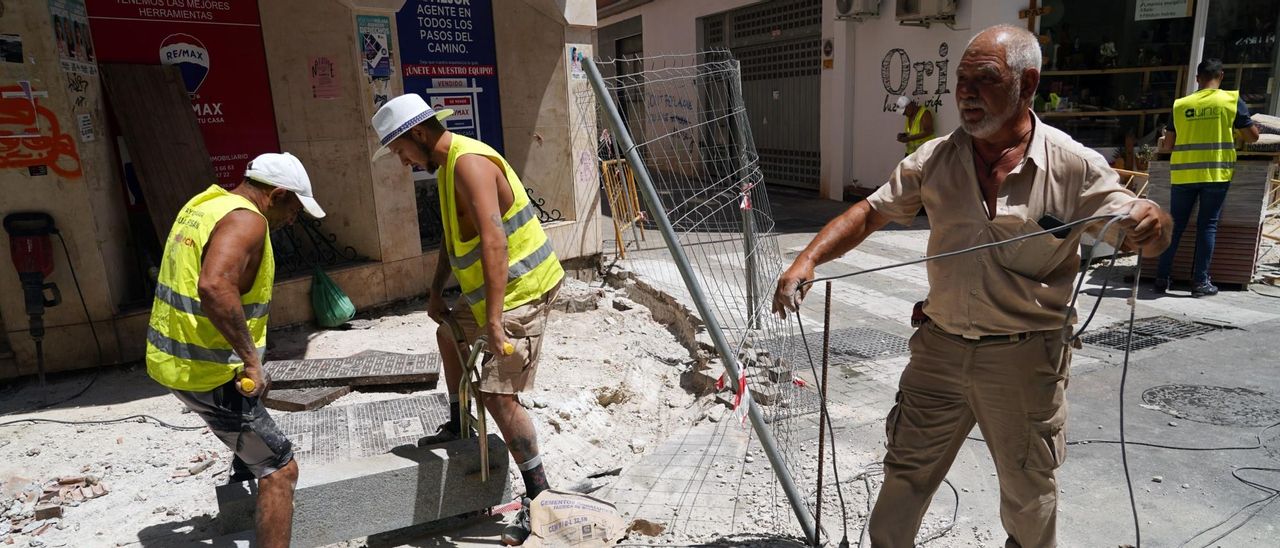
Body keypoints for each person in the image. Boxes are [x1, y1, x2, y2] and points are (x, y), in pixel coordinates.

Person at [773, 25, 1171, 547]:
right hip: (938, 352)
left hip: (1024, 360)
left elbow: (1145, 229)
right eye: (961, 80)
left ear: (1027, 85)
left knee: (1030, 502)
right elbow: (871, 212)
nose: (965, 93)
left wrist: (1152, 222)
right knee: (901, 488)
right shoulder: (936, 158)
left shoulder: (1073, 166)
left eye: (984, 80)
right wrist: (807, 259)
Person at [370, 94, 565, 546]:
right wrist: (437, 290)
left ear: (417, 134)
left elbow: (494, 241)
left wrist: (494, 322)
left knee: (498, 394)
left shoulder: (469, 164)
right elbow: (455, 237)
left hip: (522, 291)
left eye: (399, 150)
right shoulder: (445, 169)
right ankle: (460, 424)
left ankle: (540, 497)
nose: (401, 161)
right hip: (495, 296)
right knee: (447, 333)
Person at [145, 153, 325, 548]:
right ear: (276, 194)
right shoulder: (248, 220)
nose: (293, 219)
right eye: (294, 208)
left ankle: (245, 468)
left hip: (174, 361)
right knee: (281, 471)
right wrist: (251, 360)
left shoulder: (205, 204)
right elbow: (214, 285)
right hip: (208, 372)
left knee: (254, 438)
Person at [1155, 58, 1260, 297]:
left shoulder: (1180, 104)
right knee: (1207, 226)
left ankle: (1162, 277)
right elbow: (1252, 137)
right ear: (1221, 76)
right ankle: (1200, 282)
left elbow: (1168, 144)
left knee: (1176, 225)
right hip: (1215, 174)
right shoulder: (1231, 101)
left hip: (1183, 174)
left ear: (1197, 78)